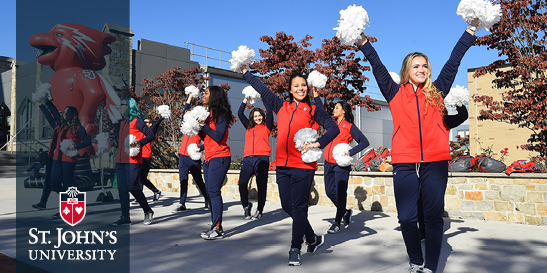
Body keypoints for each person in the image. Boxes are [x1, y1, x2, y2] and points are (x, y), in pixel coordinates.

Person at [356, 18, 479, 273]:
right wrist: (364, 42)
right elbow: (377, 67)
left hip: (435, 161)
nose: (421, 69)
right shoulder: (394, 92)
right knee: (407, 218)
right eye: (416, 66)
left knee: (433, 218)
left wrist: (471, 30)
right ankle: (415, 261)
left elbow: (453, 61)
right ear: (407, 70)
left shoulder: (437, 91)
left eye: (424, 65)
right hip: (404, 162)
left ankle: (431, 267)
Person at [242, 67, 340, 266]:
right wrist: (246, 72)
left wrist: (317, 143)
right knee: (287, 206)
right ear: (290, 89)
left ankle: (295, 248)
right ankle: (312, 238)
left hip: (304, 166)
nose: (301, 88)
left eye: (303, 85)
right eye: (296, 86)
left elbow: (333, 128)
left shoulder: (313, 109)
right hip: (282, 166)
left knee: (299, 207)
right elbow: (263, 88)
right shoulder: (281, 106)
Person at [418, 104, 469, 241]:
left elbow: (463, 116)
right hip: (420, 164)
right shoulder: (419, 121)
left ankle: (432, 233)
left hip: (438, 166)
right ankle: (423, 232)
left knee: (435, 201)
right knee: (420, 200)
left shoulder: (444, 120)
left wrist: (457, 100)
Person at [318, 99, 369, 234]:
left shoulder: (349, 126)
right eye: (334, 108)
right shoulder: (331, 125)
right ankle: (345, 212)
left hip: (341, 164)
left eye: (337, 107)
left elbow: (364, 142)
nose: (334, 110)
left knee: (341, 193)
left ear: (344, 111)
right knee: (329, 192)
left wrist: (349, 152)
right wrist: (316, 96)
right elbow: (320, 113)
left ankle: (336, 223)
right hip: (328, 162)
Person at [111, 97, 155, 226]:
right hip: (120, 161)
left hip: (133, 160)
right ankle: (125, 216)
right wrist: (113, 144)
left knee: (132, 187)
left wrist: (138, 144)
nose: (120, 106)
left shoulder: (138, 121)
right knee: (122, 190)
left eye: (122, 104)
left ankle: (148, 211)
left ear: (130, 107)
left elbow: (151, 135)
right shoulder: (123, 122)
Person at [199, 86, 233, 240]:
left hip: (220, 156)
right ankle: (215, 226)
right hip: (208, 157)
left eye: (206, 93)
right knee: (210, 192)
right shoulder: (209, 115)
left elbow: (218, 136)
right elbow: (205, 135)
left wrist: (203, 126)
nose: (203, 95)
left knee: (213, 191)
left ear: (214, 96)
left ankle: (217, 228)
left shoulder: (222, 114)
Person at [47, 104, 91, 219]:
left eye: (68, 113)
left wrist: (76, 146)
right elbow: (51, 115)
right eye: (64, 112)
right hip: (57, 159)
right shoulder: (61, 126)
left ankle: (68, 209)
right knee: (55, 183)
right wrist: (45, 103)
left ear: (73, 115)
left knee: (68, 184)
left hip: (69, 160)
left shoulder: (78, 128)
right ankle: (72, 201)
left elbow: (87, 141)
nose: (65, 114)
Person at [237, 97, 273, 220]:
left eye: (260, 116)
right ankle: (246, 207)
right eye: (255, 116)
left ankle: (260, 211)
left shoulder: (267, 126)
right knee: (242, 183)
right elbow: (239, 113)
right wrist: (245, 99)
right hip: (248, 159)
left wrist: (264, 98)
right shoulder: (248, 127)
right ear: (252, 118)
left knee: (261, 185)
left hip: (262, 158)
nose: (258, 118)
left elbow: (269, 111)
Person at [172, 93, 209, 213]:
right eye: (186, 116)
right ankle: (182, 203)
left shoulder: (198, 128)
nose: (186, 117)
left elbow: (209, 141)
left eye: (189, 115)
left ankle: (207, 199)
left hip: (193, 157)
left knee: (198, 180)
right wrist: (190, 97)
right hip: (182, 155)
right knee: (183, 179)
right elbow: (184, 111)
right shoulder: (186, 127)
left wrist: (200, 148)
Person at [31, 100, 61, 210]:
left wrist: (47, 103)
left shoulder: (65, 127)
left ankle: (71, 200)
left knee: (55, 184)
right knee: (48, 181)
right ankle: (43, 202)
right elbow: (50, 116)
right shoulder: (57, 127)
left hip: (61, 159)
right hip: (51, 157)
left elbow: (55, 114)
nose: (63, 115)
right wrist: (44, 104)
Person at [137, 116, 163, 203]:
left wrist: (160, 118)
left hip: (146, 156)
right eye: (144, 122)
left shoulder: (151, 132)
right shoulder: (140, 131)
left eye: (147, 122)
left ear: (150, 124)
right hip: (138, 156)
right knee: (139, 177)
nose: (145, 123)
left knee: (142, 178)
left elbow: (155, 127)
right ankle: (154, 191)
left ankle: (155, 191)